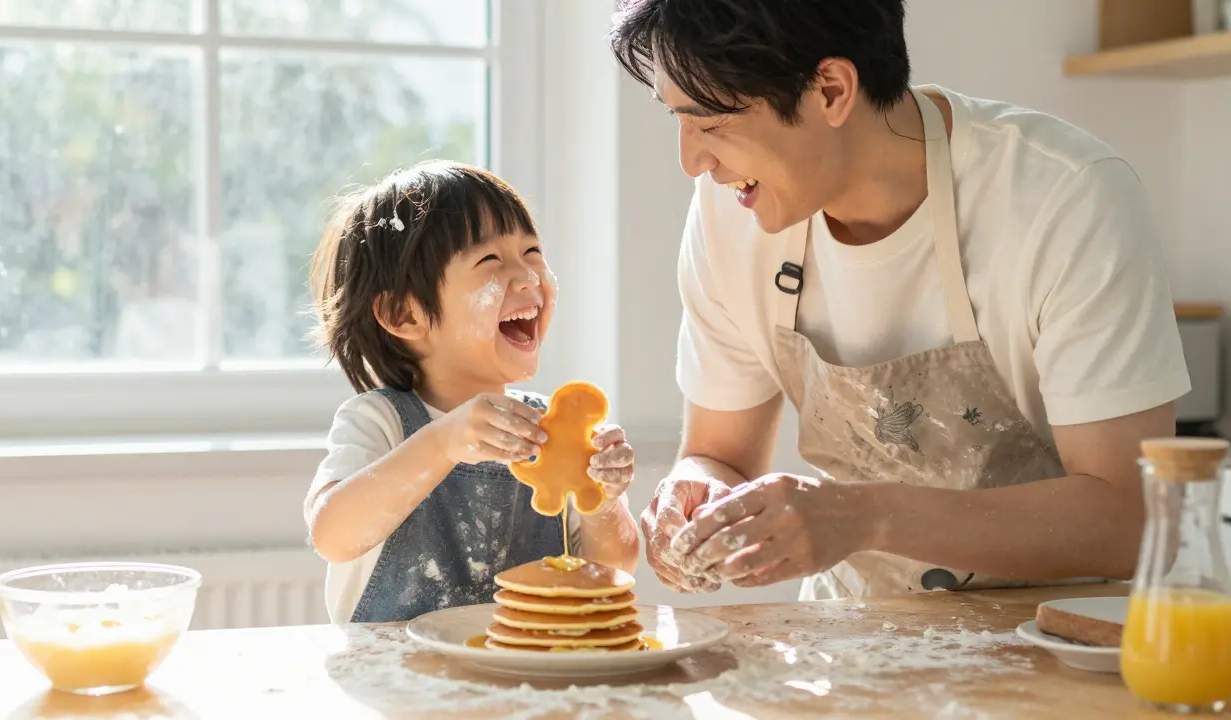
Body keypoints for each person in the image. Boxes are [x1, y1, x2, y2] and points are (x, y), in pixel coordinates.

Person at [608, 0, 1191, 599]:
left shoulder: (1063, 195)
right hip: (850, 637)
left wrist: (864, 516)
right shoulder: (731, 211)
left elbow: (1132, 519)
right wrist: (695, 489)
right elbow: (720, 456)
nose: (692, 163)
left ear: (831, 91)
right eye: (677, 119)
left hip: (1055, 635)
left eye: (709, 122)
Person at [303, 161, 640, 623]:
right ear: (405, 314)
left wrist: (603, 499)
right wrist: (444, 442)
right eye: (490, 261)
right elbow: (332, 536)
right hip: (399, 667)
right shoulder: (379, 421)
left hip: (528, 662)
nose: (528, 277)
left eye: (532, 251)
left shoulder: (556, 430)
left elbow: (613, 571)